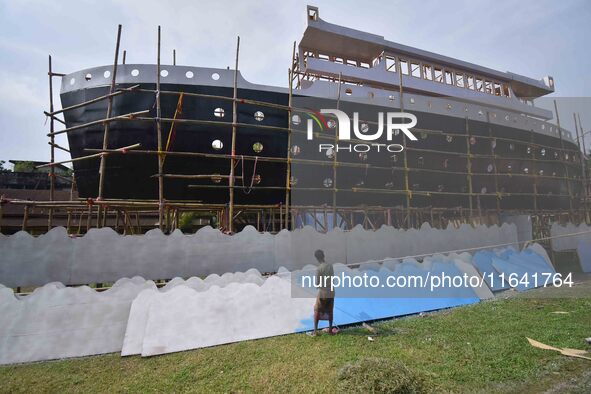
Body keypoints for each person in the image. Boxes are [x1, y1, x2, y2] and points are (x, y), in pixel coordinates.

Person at [312, 249, 336, 336]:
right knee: (330, 310)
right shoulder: (330, 266)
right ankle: (330, 330)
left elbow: (318, 283)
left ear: (317, 258)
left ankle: (315, 331)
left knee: (317, 309)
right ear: (324, 256)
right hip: (331, 292)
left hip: (323, 293)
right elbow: (332, 278)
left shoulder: (318, 269)